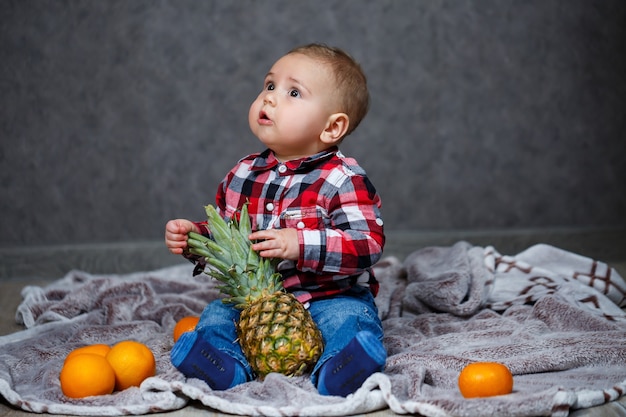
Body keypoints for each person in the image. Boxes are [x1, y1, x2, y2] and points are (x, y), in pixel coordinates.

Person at [165, 43, 386, 397]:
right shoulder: (242, 174)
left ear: (332, 127)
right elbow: (230, 237)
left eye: (293, 92)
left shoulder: (343, 179)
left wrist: (300, 244)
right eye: (269, 86)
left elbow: (367, 244)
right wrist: (195, 236)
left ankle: (339, 369)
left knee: (351, 322)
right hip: (257, 308)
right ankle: (224, 367)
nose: (270, 99)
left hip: (329, 297)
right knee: (217, 317)